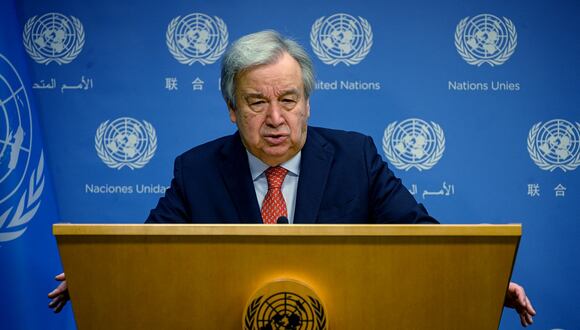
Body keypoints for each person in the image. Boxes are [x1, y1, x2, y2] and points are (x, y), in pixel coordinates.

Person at [49, 30, 536, 326]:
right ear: (232, 111)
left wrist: (484, 281)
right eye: (258, 103)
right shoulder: (196, 169)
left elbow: (420, 240)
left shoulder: (355, 156)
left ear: (308, 104)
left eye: (288, 100)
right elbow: (151, 250)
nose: (276, 118)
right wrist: (99, 276)